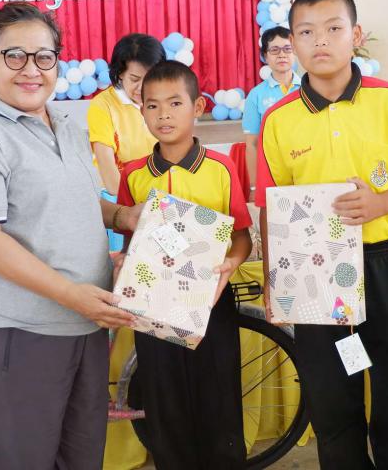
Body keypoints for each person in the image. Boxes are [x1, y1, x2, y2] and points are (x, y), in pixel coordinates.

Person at [0, 2, 141, 470]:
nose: (31, 69)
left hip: (86, 324)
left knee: (80, 456)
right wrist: (71, 295)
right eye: (14, 56)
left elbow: (76, 201)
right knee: (19, 459)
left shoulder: (66, 126)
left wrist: (122, 216)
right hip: (19, 331)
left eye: (44, 57)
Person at [256, 0, 388, 469]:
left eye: (333, 28)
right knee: (332, 398)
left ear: (355, 35)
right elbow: (272, 206)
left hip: (387, 265)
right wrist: (277, 282)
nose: (320, 41)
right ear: (292, 43)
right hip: (314, 273)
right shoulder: (278, 120)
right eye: (306, 32)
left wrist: (380, 204)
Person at [116, 61, 253, 469]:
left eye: (175, 103)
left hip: (211, 304)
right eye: (152, 105)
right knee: (165, 408)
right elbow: (130, 241)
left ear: (198, 107)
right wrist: (122, 263)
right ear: (141, 110)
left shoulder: (221, 169)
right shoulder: (134, 175)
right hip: (153, 308)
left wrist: (232, 262)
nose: (164, 114)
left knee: (219, 404)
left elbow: (241, 237)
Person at [87, 33, 164, 194]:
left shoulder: (165, 99)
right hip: (119, 193)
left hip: (157, 189)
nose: (142, 88)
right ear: (120, 73)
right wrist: (129, 203)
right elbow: (107, 168)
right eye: (134, 79)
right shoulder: (102, 105)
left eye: (150, 78)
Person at [242, 26, 301, 185]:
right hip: (273, 171)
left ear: (295, 52)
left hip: (307, 169)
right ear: (265, 56)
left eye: (287, 49)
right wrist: (254, 187)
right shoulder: (256, 95)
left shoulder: (310, 88)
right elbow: (252, 144)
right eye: (274, 50)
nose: (282, 55)